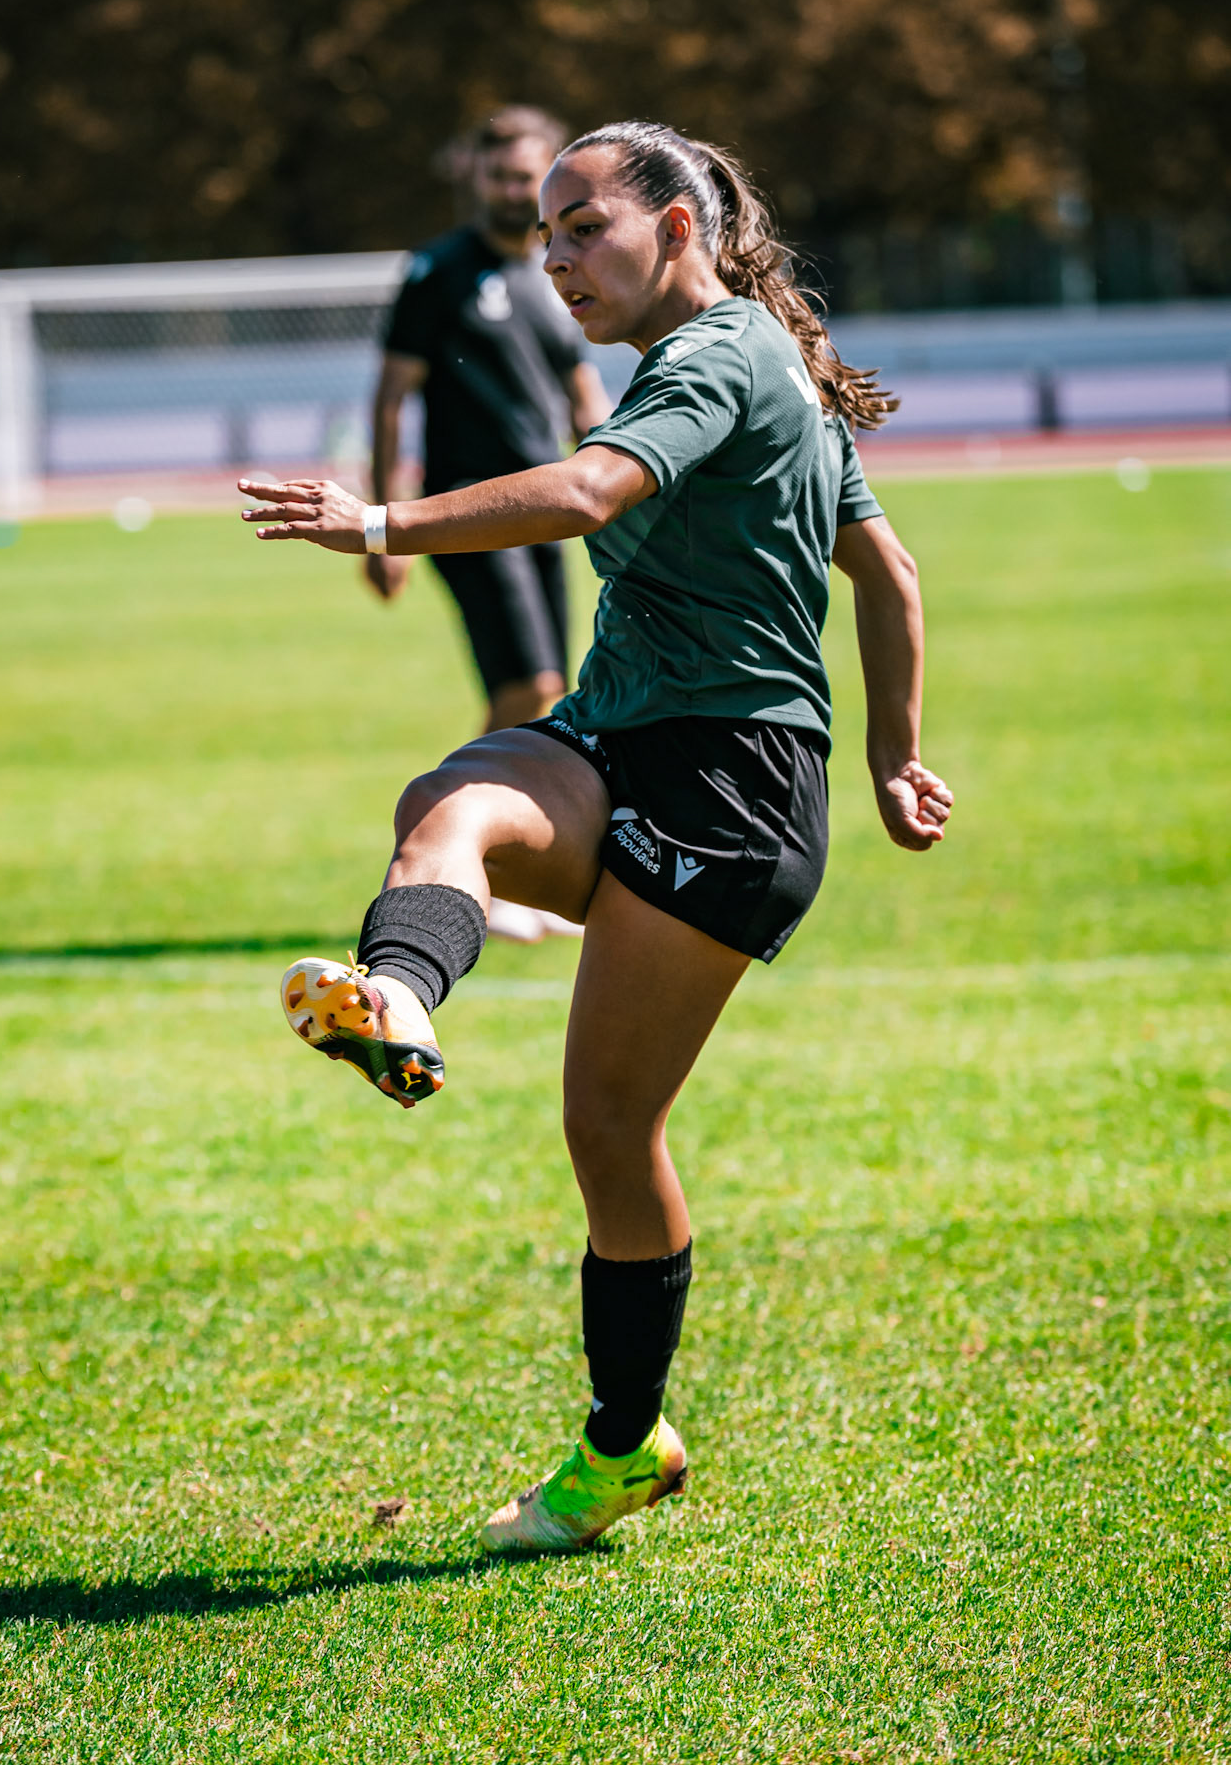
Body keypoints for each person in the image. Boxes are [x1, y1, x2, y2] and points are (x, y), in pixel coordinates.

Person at [239, 120, 954, 1554]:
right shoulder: (737, 362)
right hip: (619, 732)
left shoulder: (726, 357)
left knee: (608, 1129)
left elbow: (587, 495)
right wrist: (894, 756)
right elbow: (885, 566)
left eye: (585, 228)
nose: (557, 258)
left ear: (678, 228)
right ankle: (397, 998)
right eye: (547, 233)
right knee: (449, 804)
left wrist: (377, 517)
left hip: (730, 781)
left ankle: (623, 1448)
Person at [367, 105, 612, 942]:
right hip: (463, 510)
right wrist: (381, 523)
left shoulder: (558, 271)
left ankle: (469, 857)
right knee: (526, 692)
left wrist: (617, 469)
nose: (513, 189)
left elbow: (583, 393)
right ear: (475, 177)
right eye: (500, 174)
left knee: (545, 693)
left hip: (542, 512)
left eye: (526, 175)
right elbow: (392, 397)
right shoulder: (436, 273)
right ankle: (481, 871)